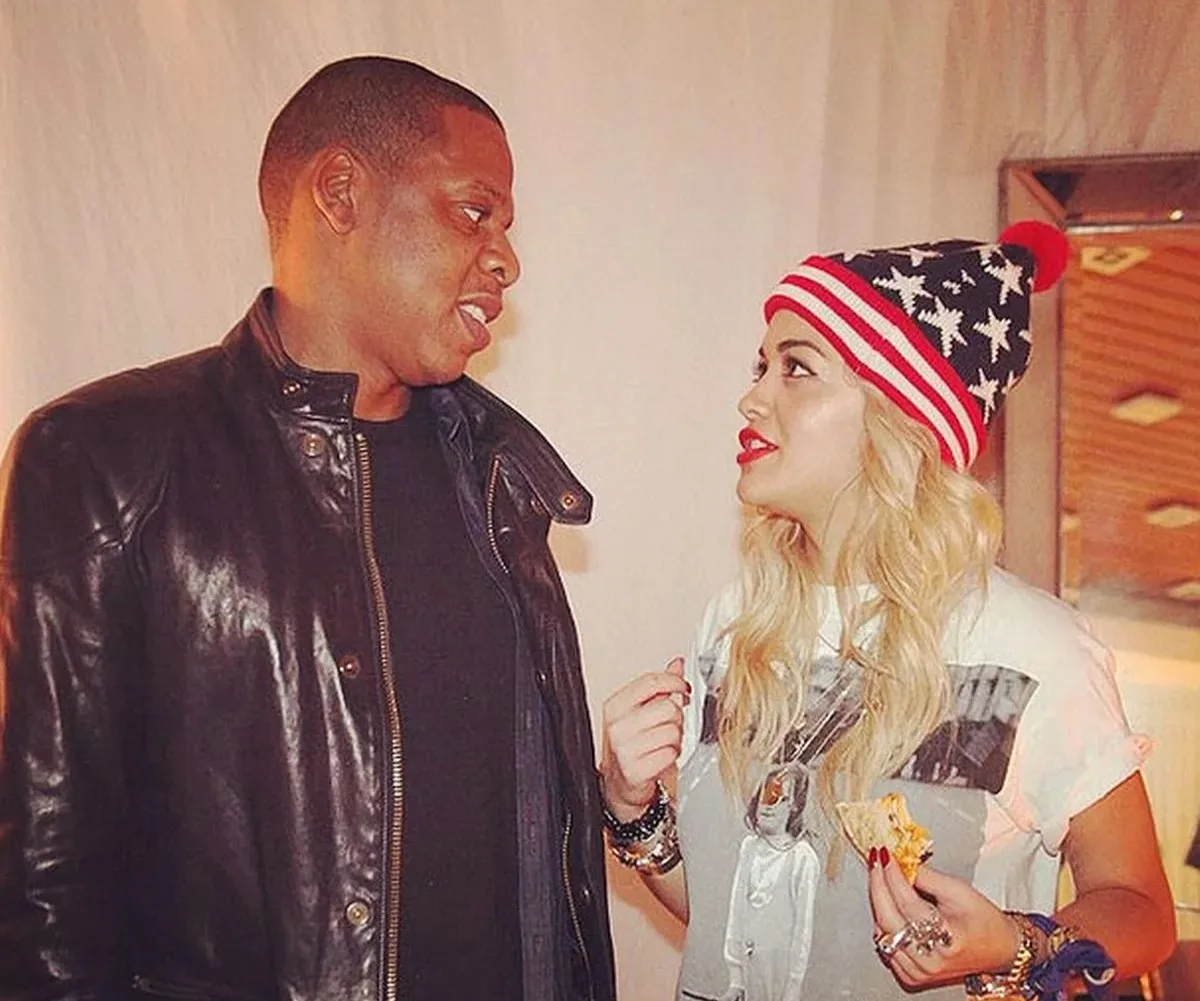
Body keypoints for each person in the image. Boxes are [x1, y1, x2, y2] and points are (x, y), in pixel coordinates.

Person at [0, 56, 615, 1001]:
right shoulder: (106, 458)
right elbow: (47, 881)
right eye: (474, 212)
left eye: (506, 228)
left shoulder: (496, 473)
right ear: (339, 192)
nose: (506, 259)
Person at [600, 222, 1177, 1001]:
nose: (752, 396)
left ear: (898, 417)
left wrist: (1016, 944)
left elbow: (1142, 908)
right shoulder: (736, 626)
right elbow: (724, 921)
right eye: (761, 366)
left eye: (796, 368)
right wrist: (631, 808)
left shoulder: (1030, 644)